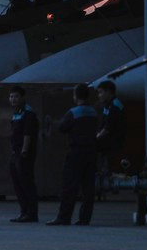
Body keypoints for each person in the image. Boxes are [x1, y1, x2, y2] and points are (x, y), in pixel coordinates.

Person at [48, 83, 99, 226]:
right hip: (91, 152)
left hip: (76, 152)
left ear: (75, 96)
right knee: (88, 188)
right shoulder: (93, 112)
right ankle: (84, 218)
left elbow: (62, 128)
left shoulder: (73, 112)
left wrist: (53, 122)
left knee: (69, 186)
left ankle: (64, 217)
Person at [8, 85, 40, 223]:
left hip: (23, 153)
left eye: (16, 96)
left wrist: (24, 150)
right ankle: (24, 211)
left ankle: (31, 213)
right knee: (18, 184)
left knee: (27, 182)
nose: (13, 99)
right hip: (15, 152)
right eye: (11, 96)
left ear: (22, 97)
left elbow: (28, 134)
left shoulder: (28, 113)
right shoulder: (16, 113)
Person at [96, 80, 126, 171]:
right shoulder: (107, 106)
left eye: (101, 92)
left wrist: (97, 137)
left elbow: (108, 127)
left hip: (113, 148)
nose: (99, 95)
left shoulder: (115, 106)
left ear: (108, 92)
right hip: (107, 147)